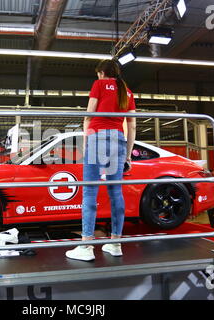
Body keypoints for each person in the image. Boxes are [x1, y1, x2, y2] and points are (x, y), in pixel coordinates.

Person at [66, 59, 136, 261]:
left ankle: (87, 246)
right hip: (118, 141)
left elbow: (88, 116)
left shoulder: (99, 85)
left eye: (98, 74)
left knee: (90, 191)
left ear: (102, 73)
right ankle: (115, 243)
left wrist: (86, 143)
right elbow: (131, 126)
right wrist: (129, 154)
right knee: (116, 192)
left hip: (98, 137)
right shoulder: (127, 91)